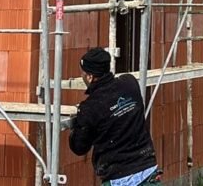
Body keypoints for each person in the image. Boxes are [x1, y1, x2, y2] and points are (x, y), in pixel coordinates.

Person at [69, 47, 160, 185]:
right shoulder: (130, 83)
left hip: (118, 178)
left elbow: (79, 147)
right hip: (147, 169)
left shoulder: (90, 107)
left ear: (90, 77)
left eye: (83, 73)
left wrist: (79, 122)